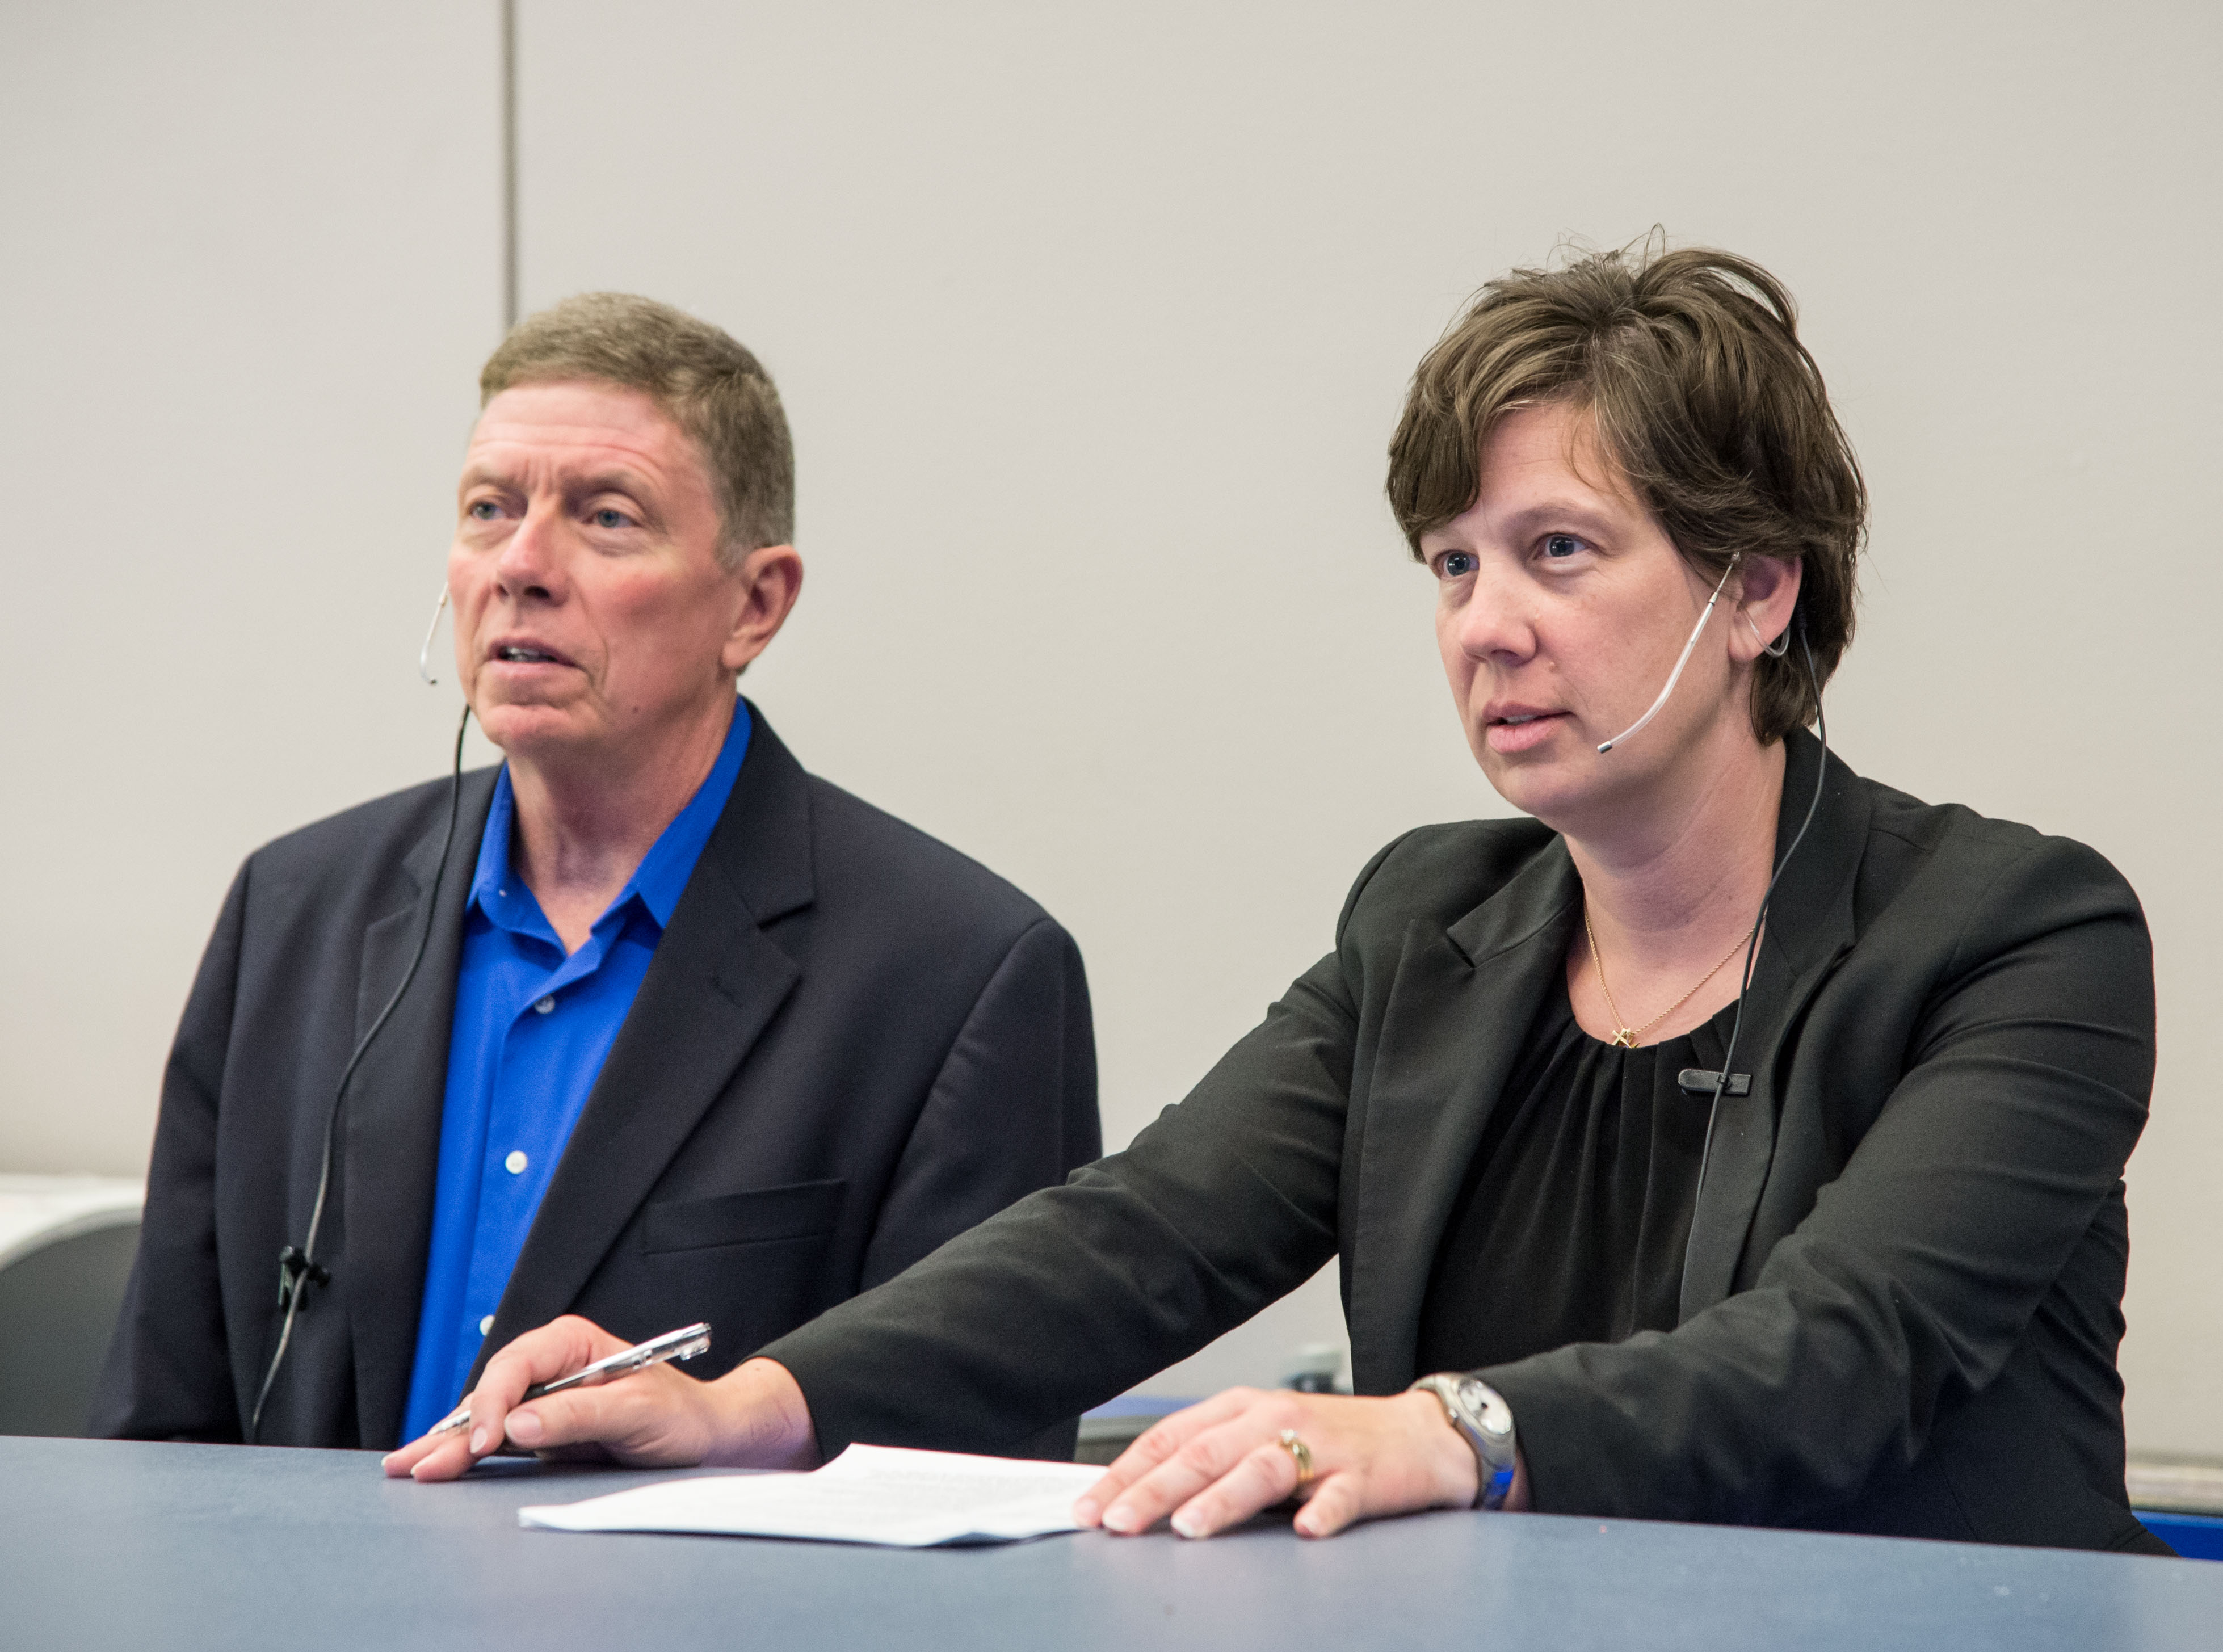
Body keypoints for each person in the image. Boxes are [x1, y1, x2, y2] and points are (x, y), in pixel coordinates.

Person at [390, 247, 2164, 1556]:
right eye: (1451, 565)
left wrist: (1443, 1429)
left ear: (1756, 592)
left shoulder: (2014, 937)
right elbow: (1132, 1237)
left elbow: (1837, 1357)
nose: (1484, 624)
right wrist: (738, 1406)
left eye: (1558, 551)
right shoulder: (1431, 923)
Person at [93, 294, 1100, 1453]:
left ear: (755, 603)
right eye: (490, 509)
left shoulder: (957, 976)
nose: (522, 564)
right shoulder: (295, 912)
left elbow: (961, 1479)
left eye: (606, 518)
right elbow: (156, 1432)